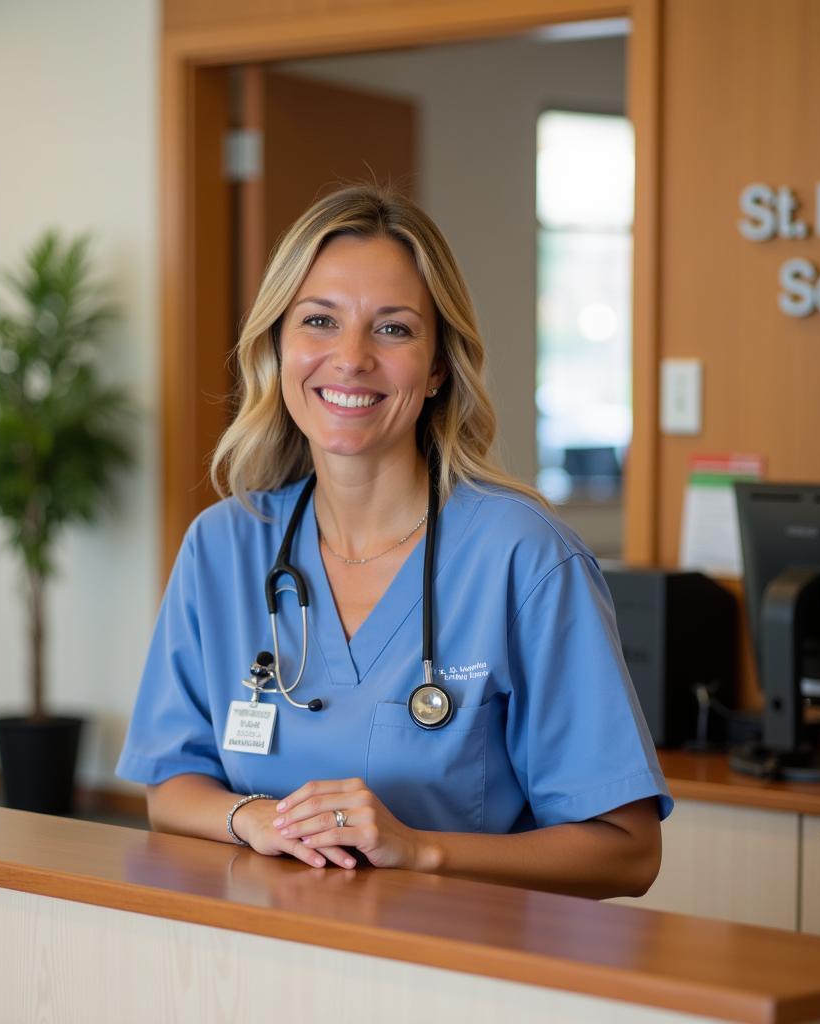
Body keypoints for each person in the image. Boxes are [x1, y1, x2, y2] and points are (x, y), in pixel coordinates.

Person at [116, 184, 672, 897]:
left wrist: (421, 851)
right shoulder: (224, 547)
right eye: (318, 320)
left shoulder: (523, 558)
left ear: (439, 366)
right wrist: (252, 817)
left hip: (459, 975)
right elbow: (169, 786)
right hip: (266, 962)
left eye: (393, 329)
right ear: (278, 346)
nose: (350, 358)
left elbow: (626, 853)